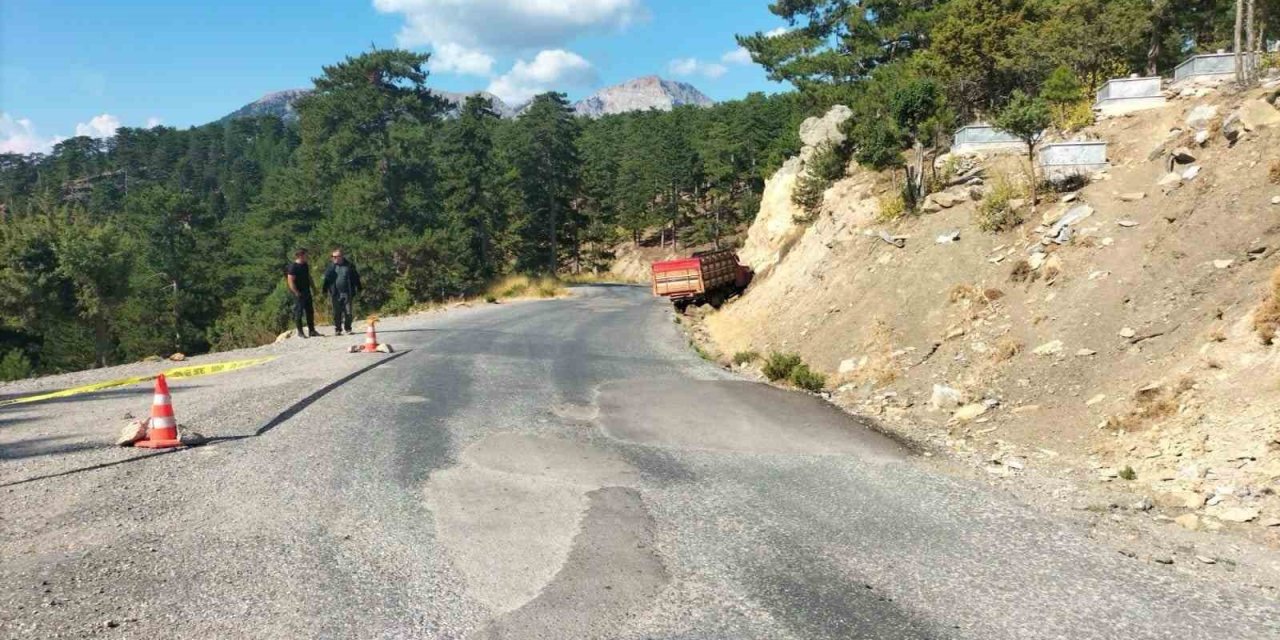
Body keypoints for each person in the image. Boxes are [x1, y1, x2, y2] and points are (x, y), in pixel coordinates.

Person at [321, 247, 362, 336]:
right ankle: (338, 329)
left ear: (341, 256)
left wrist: (359, 288)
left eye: (336, 256)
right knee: (337, 312)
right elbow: (326, 279)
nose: (334, 258)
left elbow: (356, 277)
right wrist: (324, 290)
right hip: (335, 293)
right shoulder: (331, 267)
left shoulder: (349, 266)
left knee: (348, 312)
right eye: (333, 256)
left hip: (347, 292)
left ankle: (348, 328)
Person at [285, 249, 321, 338]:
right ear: (300, 256)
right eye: (306, 255)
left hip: (307, 291)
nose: (307, 257)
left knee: (310, 311)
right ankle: (300, 333)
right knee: (299, 313)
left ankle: (312, 331)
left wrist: (314, 288)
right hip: (298, 293)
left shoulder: (305, 265)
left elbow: (308, 277)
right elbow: (290, 281)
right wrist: (296, 292)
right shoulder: (293, 267)